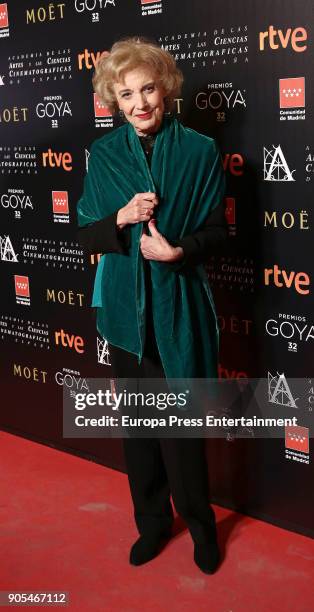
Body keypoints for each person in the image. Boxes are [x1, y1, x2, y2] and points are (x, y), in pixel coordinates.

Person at [76, 36, 227, 574]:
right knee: (139, 433)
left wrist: (178, 249)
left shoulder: (200, 151)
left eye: (148, 89)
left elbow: (217, 230)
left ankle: (201, 526)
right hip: (123, 314)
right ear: (114, 102)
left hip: (176, 309)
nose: (140, 103)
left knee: (182, 432)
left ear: (164, 91)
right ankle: (153, 524)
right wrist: (120, 217)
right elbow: (87, 232)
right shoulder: (104, 154)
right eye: (127, 94)